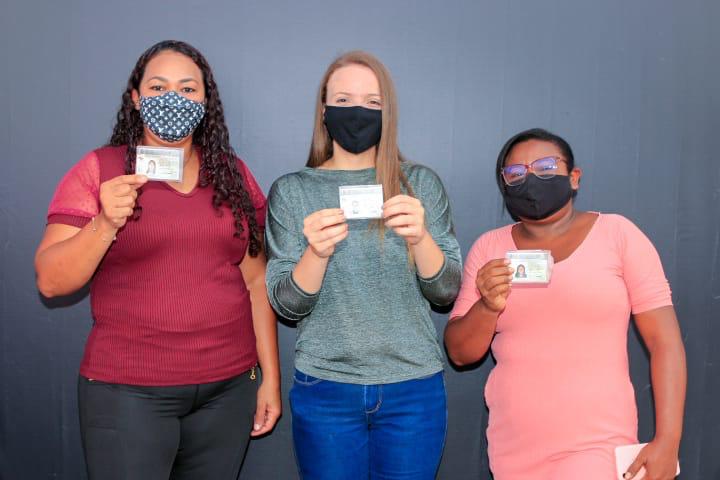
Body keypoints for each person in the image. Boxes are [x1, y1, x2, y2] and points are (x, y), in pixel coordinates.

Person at [34, 40, 281, 480]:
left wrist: (270, 379)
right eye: (158, 86)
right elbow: (51, 282)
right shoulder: (101, 170)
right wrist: (107, 221)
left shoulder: (231, 173)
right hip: (127, 393)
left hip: (227, 390)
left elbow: (256, 281)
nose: (174, 98)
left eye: (188, 89)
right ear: (136, 98)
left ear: (206, 100)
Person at [444, 128, 686, 480]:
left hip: (598, 444)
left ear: (574, 177)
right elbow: (460, 353)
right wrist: (488, 305)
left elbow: (666, 343)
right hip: (513, 446)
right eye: (516, 173)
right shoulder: (489, 248)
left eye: (545, 166)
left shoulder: (618, 235)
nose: (530, 179)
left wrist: (669, 440)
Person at [265, 51, 461, 480]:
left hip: (413, 388)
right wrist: (315, 254)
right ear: (324, 110)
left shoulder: (420, 184)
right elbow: (286, 305)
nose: (358, 112)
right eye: (345, 99)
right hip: (325, 388)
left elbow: (446, 292)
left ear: (388, 112)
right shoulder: (292, 190)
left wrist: (420, 238)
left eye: (373, 103)